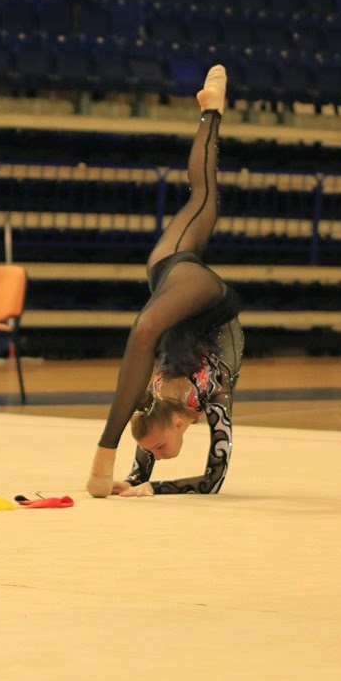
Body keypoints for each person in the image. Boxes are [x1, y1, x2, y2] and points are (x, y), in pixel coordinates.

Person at [86, 64, 244, 498]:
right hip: (193, 290)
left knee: (144, 330)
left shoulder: (155, 395)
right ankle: (212, 111)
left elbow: (203, 479)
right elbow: (213, 478)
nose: (155, 453)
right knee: (204, 195)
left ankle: (104, 448)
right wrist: (137, 482)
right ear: (178, 423)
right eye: (154, 449)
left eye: (153, 449)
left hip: (182, 283)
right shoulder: (211, 395)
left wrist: (154, 486)